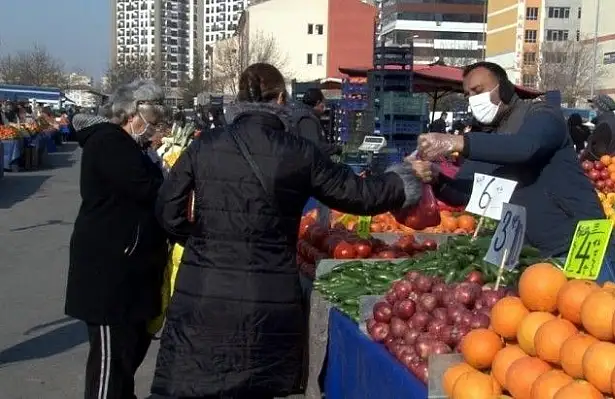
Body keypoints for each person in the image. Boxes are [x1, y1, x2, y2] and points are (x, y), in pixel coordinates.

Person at [151, 63, 422, 399]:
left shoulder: (205, 145)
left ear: (239, 98)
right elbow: (360, 196)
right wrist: (405, 178)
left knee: (197, 384)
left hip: (204, 293)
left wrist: (201, 240)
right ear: (281, 99)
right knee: (255, 386)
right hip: (268, 297)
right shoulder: (298, 152)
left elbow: (166, 210)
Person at [409, 61, 615, 273]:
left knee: (597, 302)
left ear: (505, 89)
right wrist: (436, 179)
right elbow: (466, 193)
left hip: (580, 238)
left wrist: (457, 142)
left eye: (478, 91)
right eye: (468, 95)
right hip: (531, 252)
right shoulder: (487, 135)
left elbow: (525, 148)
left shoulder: (542, 115)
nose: (473, 100)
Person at [64, 80, 168, 399]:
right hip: (110, 273)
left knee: (125, 358)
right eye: (149, 122)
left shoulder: (130, 146)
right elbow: (147, 189)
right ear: (130, 114)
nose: (152, 130)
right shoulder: (109, 143)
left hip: (130, 270)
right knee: (110, 362)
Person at [292, 88, 342, 156]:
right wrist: (336, 148)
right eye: (324, 102)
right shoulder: (307, 119)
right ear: (318, 103)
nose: (325, 106)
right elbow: (314, 146)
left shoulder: (301, 113)